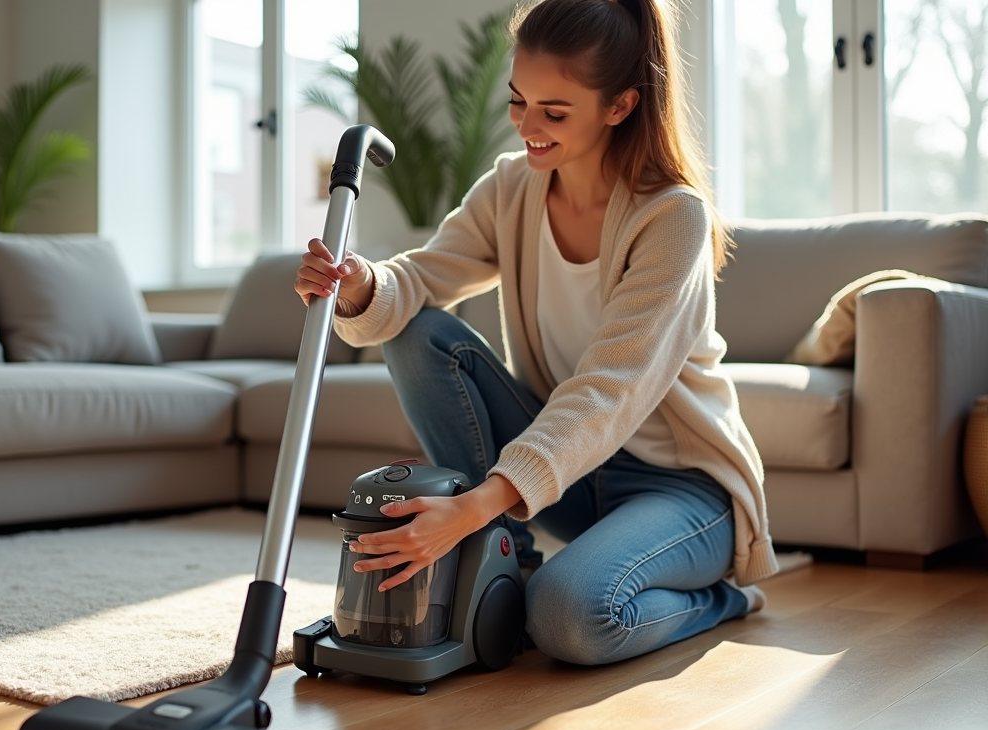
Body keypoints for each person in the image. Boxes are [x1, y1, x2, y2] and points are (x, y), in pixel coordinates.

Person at [295, 0, 778, 666]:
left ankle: (723, 599)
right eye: (520, 101)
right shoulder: (512, 187)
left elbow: (608, 390)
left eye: (555, 112)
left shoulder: (673, 219)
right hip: (574, 481)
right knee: (414, 331)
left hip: (682, 488)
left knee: (568, 617)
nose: (527, 126)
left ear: (620, 105)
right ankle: (504, 564)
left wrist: (470, 507)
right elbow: (420, 279)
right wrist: (359, 285)